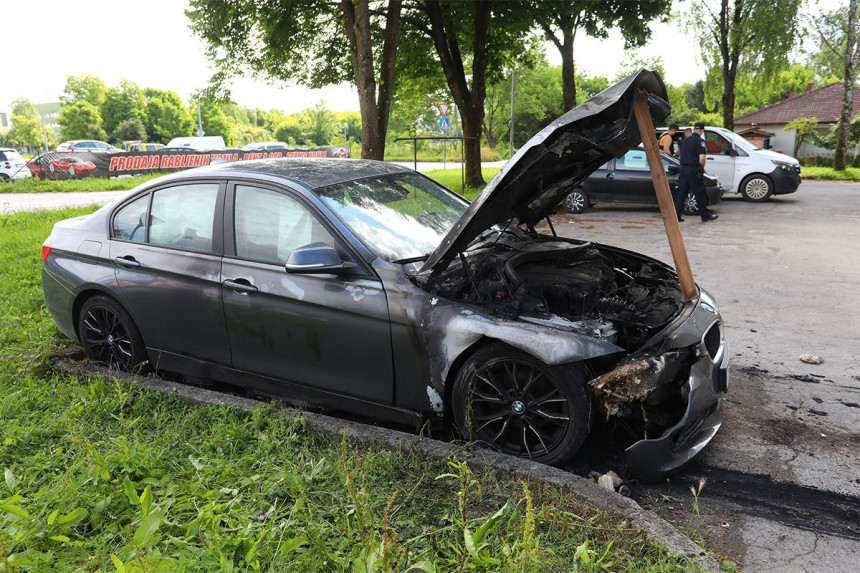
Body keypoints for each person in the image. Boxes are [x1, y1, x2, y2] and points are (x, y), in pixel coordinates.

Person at [676, 122, 718, 222]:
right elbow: (702, 158)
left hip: (683, 169)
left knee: (681, 194)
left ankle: (677, 216)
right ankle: (705, 216)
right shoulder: (700, 141)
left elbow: (678, 154)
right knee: (700, 192)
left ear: (694, 129)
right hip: (693, 170)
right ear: (702, 130)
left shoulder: (684, 141)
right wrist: (701, 168)